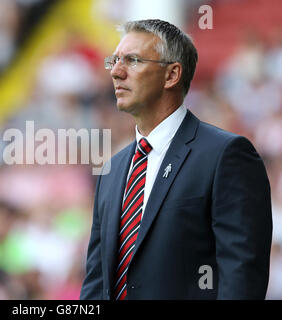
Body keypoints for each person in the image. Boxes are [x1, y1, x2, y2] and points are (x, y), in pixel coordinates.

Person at [80, 19, 272, 300]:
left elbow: (242, 276)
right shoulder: (112, 169)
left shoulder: (226, 156)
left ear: (171, 75)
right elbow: (97, 283)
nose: (117, 72)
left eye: (132, 60)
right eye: (115, 60)